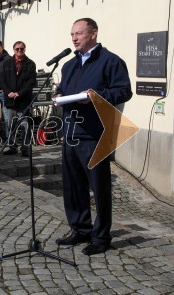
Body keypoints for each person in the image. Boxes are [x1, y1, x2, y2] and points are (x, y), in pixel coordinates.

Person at [54, 18, 133, 256]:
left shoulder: (111, 61)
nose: (74, 38)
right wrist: (58, 94)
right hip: (70, 132)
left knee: (98, 188)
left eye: (78, 33)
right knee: (73, 186)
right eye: (72, 35)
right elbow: (64, 92)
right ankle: (80, 228)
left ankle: (101, 236)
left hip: (95, 135)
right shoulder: (68, 65)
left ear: (93, 33)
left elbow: (124, 91)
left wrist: (96, 96)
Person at [0, 41, 36, 157]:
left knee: (25, 125)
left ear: (24, 49)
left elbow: (31, 82)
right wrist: (9, 92)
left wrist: (19, 93)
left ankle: (25, 148)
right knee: (10, 125)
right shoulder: (7, 63)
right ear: (13, 50)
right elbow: (2, 80)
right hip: (10, 100)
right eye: (17, 49)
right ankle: (12, 147)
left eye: (21, 49)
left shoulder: (30, 64)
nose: (19, 51)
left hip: (23, 100)